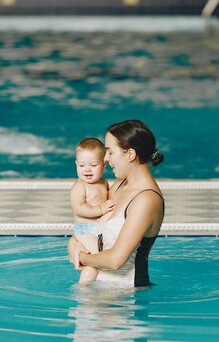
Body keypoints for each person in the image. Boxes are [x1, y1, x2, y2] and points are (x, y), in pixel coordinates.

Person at [68, 120, 165, 288]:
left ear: (130, 154)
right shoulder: (119, 185)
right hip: (99, 288)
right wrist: (74, 243)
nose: (105, 159)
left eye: (110, 152)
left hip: (126, 299)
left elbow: (115, 260)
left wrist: (81, 256)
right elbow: (93, 227)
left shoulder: (146, 200)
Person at [71, 137, 116, 284]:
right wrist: (100, 209)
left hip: (98, 229)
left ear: (103, 166)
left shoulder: (103, 182)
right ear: (76, 164)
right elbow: (79, 209)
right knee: (97, 259)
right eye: (82, 165)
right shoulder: (79, 187)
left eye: (93, 165)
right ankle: (83, 286)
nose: (87, 169)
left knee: (101, 257)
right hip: (85, 230)